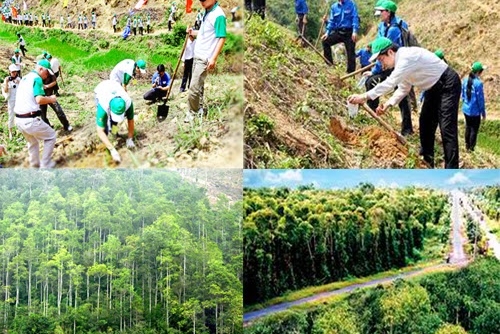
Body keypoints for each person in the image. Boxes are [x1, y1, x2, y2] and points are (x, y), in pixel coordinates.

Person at [347, 37, 461, 169]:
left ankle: (451, 169)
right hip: (432, 88)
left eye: (381, 59)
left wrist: (364, 96)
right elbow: (403, 88)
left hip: (448, 84)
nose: (381, 64)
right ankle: (428, 164)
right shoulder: (401, 65)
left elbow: (390, 83)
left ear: (390, 52)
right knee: (425, 124)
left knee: (447, 128)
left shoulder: (406, 58)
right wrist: (388, 104)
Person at [365, 0, 413, 136]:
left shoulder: (393, 29)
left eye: (381, 11)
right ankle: (374, 114)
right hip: (385, 63)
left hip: (396, 65)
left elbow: (384, 53)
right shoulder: (383, 26)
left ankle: (407, 129)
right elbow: (378, 47)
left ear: (389, 12)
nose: (379, 14)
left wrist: (374, 71)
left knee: (402, 95)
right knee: (370, 82)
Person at [185, 0, 226, 123]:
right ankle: (199, 108)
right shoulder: (207, 12)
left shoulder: (218, 15)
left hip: (205, 57)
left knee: (193, 87)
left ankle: (192, 113)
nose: (202, 2)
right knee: (199, 86)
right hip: (198, 55)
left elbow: (221, 37)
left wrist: (213, 58)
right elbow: (205, 34)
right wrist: (193, 33)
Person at [14, 59, 58, 168]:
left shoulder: (25, 77)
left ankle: (34, 165)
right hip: (30, 120)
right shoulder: (37, 78)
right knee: (51, 136)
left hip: (19, 120)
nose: (47, 75)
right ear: (40, 68)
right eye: (46, 72)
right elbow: (39, 100)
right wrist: (51, 99)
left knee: (33, 142)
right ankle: (46, 164)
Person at [94, 80, 135, 163]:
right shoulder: (103, 106)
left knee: (114, 123)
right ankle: (107, 145)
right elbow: (99, 130)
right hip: (100, 89)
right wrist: (112, 150)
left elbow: (131, 121)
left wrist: (130, 138)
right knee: (104, 128)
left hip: (114, 87)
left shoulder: (128, 103)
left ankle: (114, 133)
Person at [321, 0, 359, 73]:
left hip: (349, 32)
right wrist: (327, 33)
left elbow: (355, 17)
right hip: (338, 32)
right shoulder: (334, 7)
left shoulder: (351, 4)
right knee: (325, 41)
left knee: (351, 54)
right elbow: (332, 21)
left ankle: (350, 73)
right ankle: (329, 65)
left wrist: (354, 31)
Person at [461, 62, 486, 152]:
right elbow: (480, 100)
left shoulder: (465, 80)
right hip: (474, 111)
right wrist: (483, 112)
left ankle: (467, 146)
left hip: (466, 109)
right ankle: (471, 149)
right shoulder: (478, 84)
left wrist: (465, 103)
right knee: (474, 130)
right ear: (479, 72)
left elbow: (463, 95)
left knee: (468, 126)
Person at [2, 64, 21, 139]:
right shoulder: (7, 79)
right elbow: (5, 90)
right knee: (11, 115)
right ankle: (10, 131)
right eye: (12, 72)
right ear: (9, 72)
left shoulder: (19, 79)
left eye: (15, 72)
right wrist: (6, 82)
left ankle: (19, 129)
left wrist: (19, 83)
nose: (14, 73)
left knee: (19, 114)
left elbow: (22, 89)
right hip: (11, 99)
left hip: (18, 99)